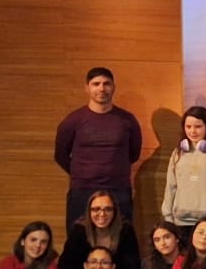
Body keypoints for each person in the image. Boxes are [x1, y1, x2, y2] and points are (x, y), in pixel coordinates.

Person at [53, 66, 143, 226]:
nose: (101, 88)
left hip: (119, 189)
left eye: (106, 83)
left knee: (121, 240)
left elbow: (134, 153)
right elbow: (60, 155)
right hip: (82, 190)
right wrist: (82, 173)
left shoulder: (127, 120)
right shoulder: (73, 120)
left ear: (113, 87)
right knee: (78, 241)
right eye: (96, 84)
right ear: (87, 88)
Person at [58, 190, 142, 269]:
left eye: (108, 209)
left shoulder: (125, 231)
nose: (102, 214)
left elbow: (132, 265)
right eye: (96, 209)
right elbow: (66, 263)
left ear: (115, 212)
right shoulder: (79, 230)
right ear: (89, 211)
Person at [163, 106, 206, 236]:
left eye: (198, 126)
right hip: (181, 222)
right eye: (188, 127)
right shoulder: (178, 153)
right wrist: (168, 218)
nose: (193, 131)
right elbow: (170, 187)